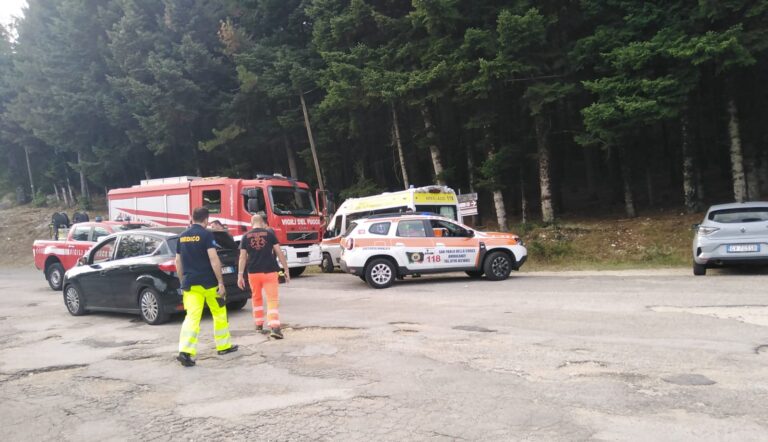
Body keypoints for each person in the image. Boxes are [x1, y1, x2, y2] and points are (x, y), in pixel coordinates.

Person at [175, 207, 238, 367]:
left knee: (192, 317)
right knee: (219, 313)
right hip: (209, 284)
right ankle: (223, 346)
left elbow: (178, 262)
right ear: (206, 220)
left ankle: (185, 352)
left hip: (190, 284)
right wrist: (221, 282)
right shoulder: (206, 234)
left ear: (191, 218)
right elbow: (213, 259)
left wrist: (183, 281)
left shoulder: (182, 237)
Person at [237, 212, 290, 339]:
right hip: (269, 271)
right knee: (272, 299)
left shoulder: (245, 236)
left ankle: (259, 324)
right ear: (262, 222)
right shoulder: (269, 234)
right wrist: (286, 269)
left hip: (253, 273)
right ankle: (275, 327)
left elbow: (242, 257)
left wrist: (240, 275)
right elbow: (279, 252)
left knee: (256, 298)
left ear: (251, 223)